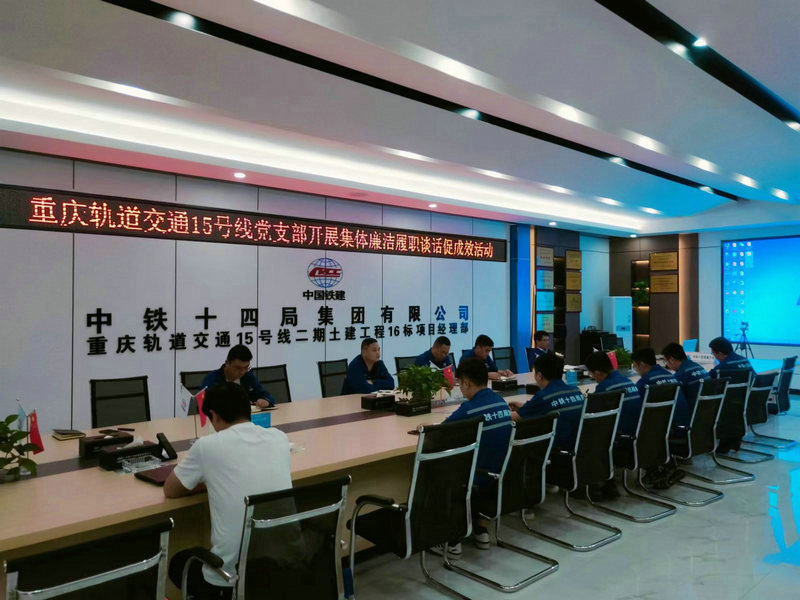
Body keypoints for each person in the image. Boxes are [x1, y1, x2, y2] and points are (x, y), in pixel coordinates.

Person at [164, 382, 292, 599]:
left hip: (230, 579)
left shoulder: (207, 446)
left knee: (178, 563)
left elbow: (171, 489)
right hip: (282, 566)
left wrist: (210, 478)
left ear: (214, 416)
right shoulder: (279, 437)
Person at [434, 357, 512, 556]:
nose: (461, 389)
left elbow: (440, 433)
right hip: (497, 475)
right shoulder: (501, 402)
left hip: (472, 477)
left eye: (460, 384)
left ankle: (451, 540)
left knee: (435, 468)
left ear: (467, 383)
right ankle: (481, 530)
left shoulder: (470, 409)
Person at [509, 353, 584, 451]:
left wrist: (503, 409)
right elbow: (551, 406)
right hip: (578, 446)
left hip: (554, 448)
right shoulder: (576, 391)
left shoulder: (544, 396)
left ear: (539, 376)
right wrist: (525, 406)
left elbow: (514, 418)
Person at [631, 347, 689, 428]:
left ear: (642, 364)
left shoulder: (645, 383)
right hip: (683, 426)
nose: (636, 370)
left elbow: (633, 407)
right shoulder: (669, 375)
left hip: (667, 429)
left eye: (635, 366)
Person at [201, 344, 274, 408]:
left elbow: (268, 396)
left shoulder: (248, 376)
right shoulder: (212, 379)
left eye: (246, 367)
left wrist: (265, 401)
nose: (242, 372)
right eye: (238, 368)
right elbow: (203, 405)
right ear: (227, 363)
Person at [662, 342, 709, 415]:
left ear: (671, 360)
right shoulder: (698, 366)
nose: (667, 365)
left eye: (665, 362)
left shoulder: (681, 375)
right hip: (707, 411)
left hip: (692, 414)